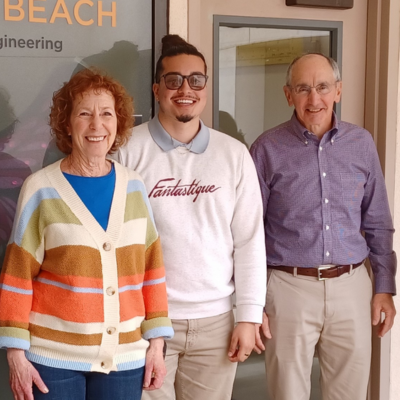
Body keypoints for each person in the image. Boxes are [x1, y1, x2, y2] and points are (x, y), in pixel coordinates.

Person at [0, 68, 173, 400]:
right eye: (84, 114)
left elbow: (151, 271)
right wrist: (15, 353)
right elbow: (17, 275)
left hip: (125, 359)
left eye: (106, 114)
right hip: (52, 361)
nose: (97, 125)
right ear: (67, 124)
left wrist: (157, 343)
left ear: (118, 123)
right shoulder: (40, 189)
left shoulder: (134, 186)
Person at [117, 35, 266, 400]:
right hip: (144, 321)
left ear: (206, 87)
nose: (186, 89)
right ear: (156, 88)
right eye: (173, 80)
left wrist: (248, 315)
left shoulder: (233, 154)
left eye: (196, 80)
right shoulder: (125, 150)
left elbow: (248, 239)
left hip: (216, 322)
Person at [250, 53, 397, 400]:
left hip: (352, 286)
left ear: (338, 91)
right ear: (288, 95)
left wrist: (385, 287)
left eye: (322, 87)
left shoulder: (361, 143)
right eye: (303, 89)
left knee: (349, 393)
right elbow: (249, 232)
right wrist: (252, 302)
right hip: (288, 287)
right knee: (288, 393)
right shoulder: (266, 148)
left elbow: (377, 220)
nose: (314, 99)